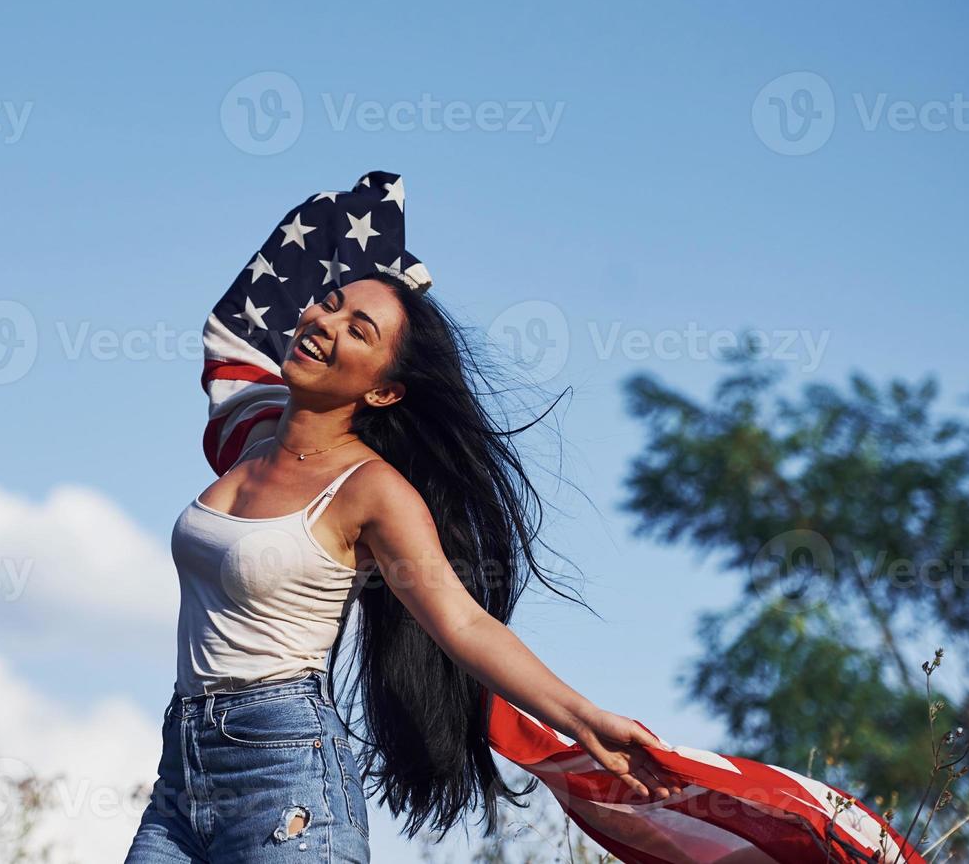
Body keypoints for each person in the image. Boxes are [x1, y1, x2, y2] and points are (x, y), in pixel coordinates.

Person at [124, 171, 684, 863]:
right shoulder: (253, 434)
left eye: (357, 329)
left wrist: (586, 719)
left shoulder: (371, 491)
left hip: (287, 778)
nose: (323, 324)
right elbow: (234, 325)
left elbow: (462, 622)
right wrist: (366, 216)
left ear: (385, 389)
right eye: (326, 306)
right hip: (181, 776)